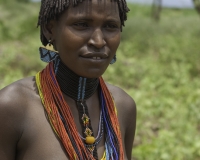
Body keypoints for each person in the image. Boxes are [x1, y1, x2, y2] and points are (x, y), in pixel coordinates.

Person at [0, 0, 136, 159]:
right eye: (82, 24)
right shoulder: (12, 107)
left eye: (110, 26)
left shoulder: (123, 106)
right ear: (49, 29)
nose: (98, 41)